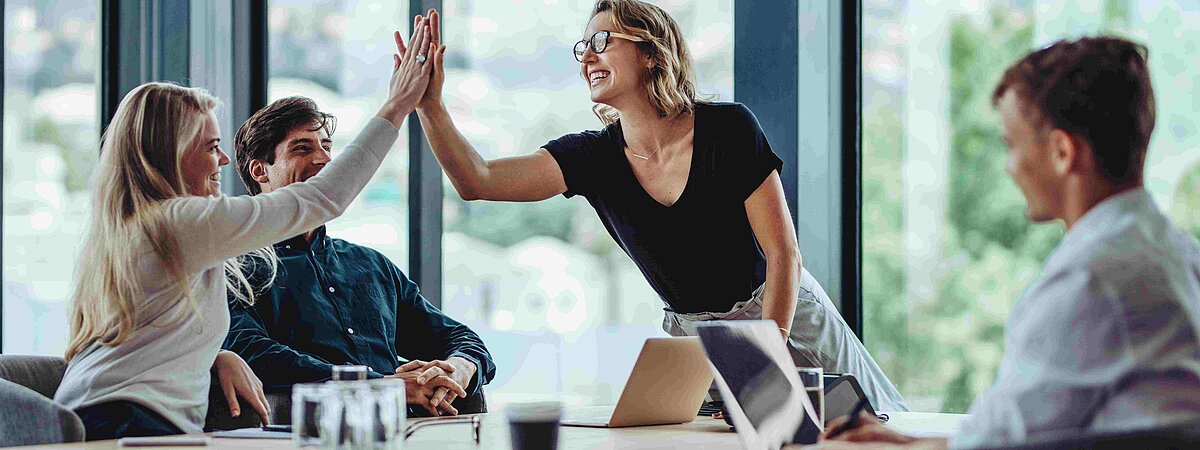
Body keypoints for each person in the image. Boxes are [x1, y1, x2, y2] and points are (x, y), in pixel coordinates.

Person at [410, 2, 906, 411]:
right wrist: (431, 106)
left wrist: (762, 359)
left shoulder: (729, 130)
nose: (587, 57)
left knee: (878, 431)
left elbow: (784, 256)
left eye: (603, 41)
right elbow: (478, 180)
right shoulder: (592, 158)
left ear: (650, 52)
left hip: (785, 316)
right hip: (700, 344)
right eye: (583, 48)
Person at [53, 19, 438, 439]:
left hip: (101, 415)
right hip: (124, 422)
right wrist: (396, 107)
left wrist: (216, 355)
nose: (223, 161)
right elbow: (323, 198)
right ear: (169, 153)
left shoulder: (138, 227)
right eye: (210, 147)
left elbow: (147, 336)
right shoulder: (177, 222)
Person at [822, 36, 1200, 449]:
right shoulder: (1177, 255)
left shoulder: (1091, 281)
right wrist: (906, 443)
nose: (1010, 167)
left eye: (1011, 144)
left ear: (1062, 152)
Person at [223, 95, 496, 417]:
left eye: (326, 146)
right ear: (260, 171)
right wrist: (380, 385)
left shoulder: (370, 265)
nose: (324, 160)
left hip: (407, 433)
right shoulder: (235, 269)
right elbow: (251, 351)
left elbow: (458, 337)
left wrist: (459, 368)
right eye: (302, 148)